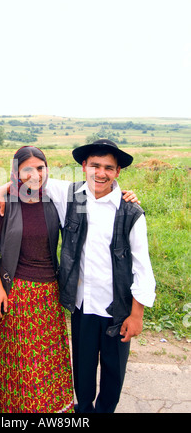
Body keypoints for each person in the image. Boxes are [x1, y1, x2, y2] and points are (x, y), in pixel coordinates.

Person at [46, 139, 156, 413]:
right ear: (84, 166)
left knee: (113, 376)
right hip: (82, 306)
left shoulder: (130, 212)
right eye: (95, 165)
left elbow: (142, 267)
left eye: (108, 167)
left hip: (117, 310)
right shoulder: (72, 197)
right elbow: (30, 179)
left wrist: (136, 314)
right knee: (81, 374)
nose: (101, 173)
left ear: (118, 172)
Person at [0, 146, 74, 414]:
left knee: (48, 361)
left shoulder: (55, 198)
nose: (35, 174)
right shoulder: (5, 204)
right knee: (19, 361)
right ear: (15, 172)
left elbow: (96, 189)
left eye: (41, 168)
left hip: (49, 295)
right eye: (27, 169)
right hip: (18, 294)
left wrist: (127, 196)